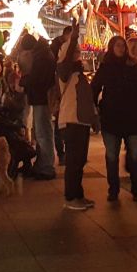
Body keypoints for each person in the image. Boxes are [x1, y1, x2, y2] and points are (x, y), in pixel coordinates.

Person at [92, 37, 137, 202]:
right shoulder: (106, 67)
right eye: (118, 45)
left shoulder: (133, 66)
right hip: (112, 117)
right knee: (112, 156)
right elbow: (95, 87)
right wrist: (95, 107)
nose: (121, 48)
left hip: (132, 117)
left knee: (134, 155)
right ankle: (113, 189)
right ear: (111, 47)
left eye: (123, 45)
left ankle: (136, 188)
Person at [56, 23, 98, 211]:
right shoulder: (65, 73)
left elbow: (87, 99)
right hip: (71, 120)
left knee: (79, 160)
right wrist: (72, 39)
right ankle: (71, 196)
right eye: (74, 52)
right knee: (74, 160)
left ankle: (78, 195)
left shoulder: (78, 74)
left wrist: (94, 118)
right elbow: (65, 62)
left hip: (80, 121)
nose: (77, 55)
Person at [20, 35, 57, 180]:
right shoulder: (43, 53)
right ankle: (42, 164)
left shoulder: (41, 57)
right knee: (41, 131)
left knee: (43, 132)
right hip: (40, 97)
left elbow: (37, 79)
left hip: (41, 98)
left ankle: (46, 166)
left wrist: (23, 81)